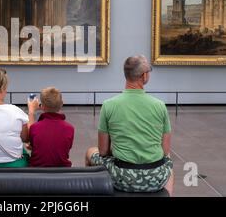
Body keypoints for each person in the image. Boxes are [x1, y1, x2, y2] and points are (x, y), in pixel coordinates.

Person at [85, 55, 174, 195]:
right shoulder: (160, 106)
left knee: (91, 152)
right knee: (168, 161)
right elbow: (164, 150)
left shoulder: (109, 105)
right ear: (144, 76)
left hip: (121, 177)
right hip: (156, 177)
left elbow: (103, 151)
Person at [27, 87, 74, 167]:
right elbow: (64, 149)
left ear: (42, 106)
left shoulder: (34, 128)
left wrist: (31, 112)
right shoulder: (70, 128)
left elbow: (30, 143)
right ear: (61, 104)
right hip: (62, 171)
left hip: (37, 171)